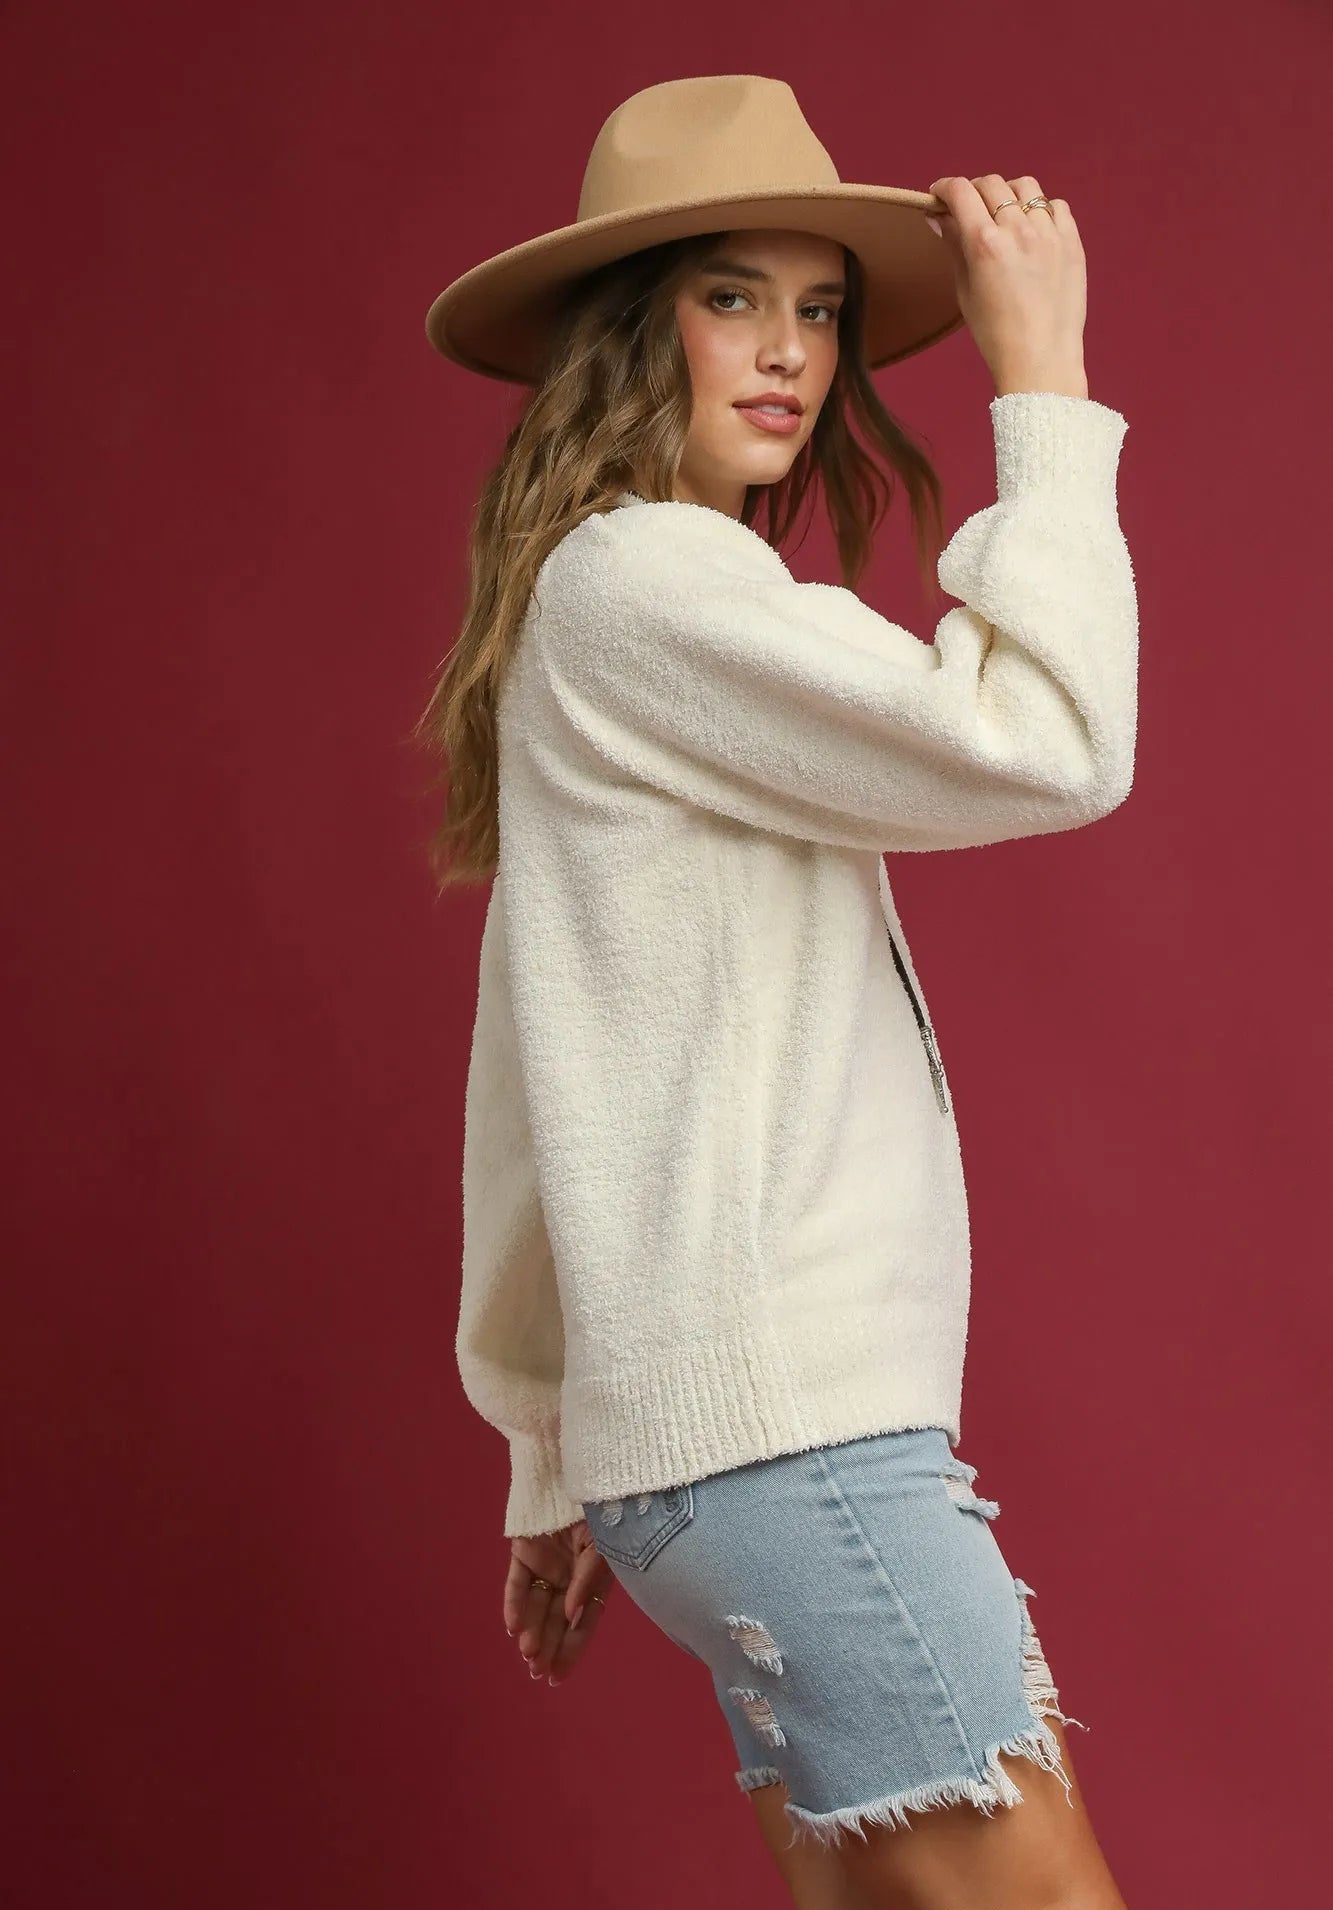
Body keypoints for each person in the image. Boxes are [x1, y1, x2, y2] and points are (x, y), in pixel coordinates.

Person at [416, 75, 1135, 1910]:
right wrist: (1038, 383)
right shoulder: (651, 579)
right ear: (624, 325)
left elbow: (536, 1060)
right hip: (791, 1439)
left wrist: (554, 1443)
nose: (790, 354)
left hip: (728, 1450)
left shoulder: (605, 611)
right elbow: (1045, 738)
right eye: (732, 295)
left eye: (819, 309)